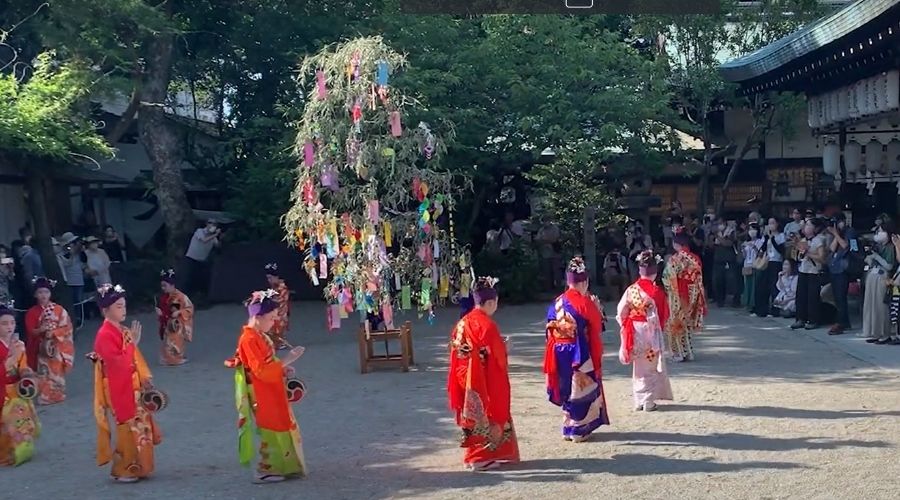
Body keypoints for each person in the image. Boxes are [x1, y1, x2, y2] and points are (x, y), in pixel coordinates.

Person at [225, 289, 307, 483]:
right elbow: (259, 369)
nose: (274, 322)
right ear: (258, 317)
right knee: (270, 427)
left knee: (281, 422)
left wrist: (284, 369)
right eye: (271, 318)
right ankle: (266, 469)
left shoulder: (259, 335)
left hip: (269, 386)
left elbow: (268, 361)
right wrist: (287, 360)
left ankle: (287, 466)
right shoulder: (249, 339)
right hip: (260, 390)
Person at [89, 284, 161, 483]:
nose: (123, 309)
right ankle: (124, 468)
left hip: (133, 384)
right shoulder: (104, 335)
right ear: (105, 310)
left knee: (141, 424)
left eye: (124, 305)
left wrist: (145, 379)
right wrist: (132, 345)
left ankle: (141, 466)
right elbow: (116, 364)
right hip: (117, 385)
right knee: (127, 425)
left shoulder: (123, 330)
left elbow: (135, 358)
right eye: (118, 306)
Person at [448, 277, 520, 471]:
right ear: (489, 302)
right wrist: (505, 349)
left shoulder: (462, 323)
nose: (496, 306)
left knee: (472, 413)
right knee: (490, 412)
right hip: (481, 375)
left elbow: (457, 351)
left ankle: (476, 455)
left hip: (463, 374)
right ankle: (479, 456)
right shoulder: (487, 325)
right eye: (495, 302)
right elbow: (497, 357)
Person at [544, 257, 609, 443]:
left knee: (566, 387)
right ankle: (578, 428)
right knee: (581, 389)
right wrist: (597, 310)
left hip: (558, 350)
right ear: (584, 282)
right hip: (579, 351)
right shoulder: (584, 303)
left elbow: (548, 329)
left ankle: (567, 425)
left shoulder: (556, 302)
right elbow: (597, 328)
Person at [616, 250, 673, 412]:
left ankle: (638, 400)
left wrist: (626, 326)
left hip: (634, 331)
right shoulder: (657, 292)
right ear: (654, 273)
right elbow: (664, 314)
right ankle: (648, 400)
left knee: (638, 366)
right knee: (650, 364)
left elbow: (621, 312)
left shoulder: (631, 290)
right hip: (651, 331)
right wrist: (658, 328)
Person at [0, 301, 40, 466]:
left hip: (16, 389)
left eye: (12, 323)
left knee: (21, 421)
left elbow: (23, 365)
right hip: (3, 389)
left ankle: (22, 449)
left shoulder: (18, 344)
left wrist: (27, 374)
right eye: (4, 323)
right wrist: (12, 359)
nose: (9, 327)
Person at [23, 277, 74, 405]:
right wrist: (41, 329)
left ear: (50, 293)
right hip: (41, 347)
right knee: (44, 373)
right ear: (35, 294)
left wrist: (55, 333)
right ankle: (46, 395)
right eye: (40, 292)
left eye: (46, 292)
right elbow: (31, 331)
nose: (43, 295)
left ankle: (57, 394)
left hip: (56, 346)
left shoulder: (59, 310)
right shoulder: (32, 312)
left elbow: (67, 327)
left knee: (57, 371)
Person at [662, 233, 707, 362]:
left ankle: (678, 353)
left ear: (676, 244)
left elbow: (667, 278)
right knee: (686, 324)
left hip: (678, 294)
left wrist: (668, 290)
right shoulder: (695, 258)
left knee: (675, 324)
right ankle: (688, 352)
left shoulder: (675, 259)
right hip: (692, 294)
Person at [860, 219, 896, 342]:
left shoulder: (891, 247)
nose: (879, 234)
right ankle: (874, 332)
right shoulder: (878, 246)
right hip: (873, 274)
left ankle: (884, 333)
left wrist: (876, 257)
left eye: (882, 231)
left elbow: (889, 266)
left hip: (883, 277)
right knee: (871, 305)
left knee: (881, 306)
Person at [792, 219, 829, 330]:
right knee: (801, 296)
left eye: (808, 225)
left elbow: (822, 258)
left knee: (812, 297)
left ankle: (813, 320)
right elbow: (798, 257)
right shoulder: (803, 240)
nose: (805, 227)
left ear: (815, 228)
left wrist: (808, 252)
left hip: (814, 271)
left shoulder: (819, 240)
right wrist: (797, 246)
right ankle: (800, 319)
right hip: (803, 270)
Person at [155, 270, 194, 366]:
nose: (163, 288)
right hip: (169, 322)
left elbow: (189, 309)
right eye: (162, 286)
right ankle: (169, 358)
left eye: (165, 285)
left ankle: (176, 358)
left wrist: (179, 312)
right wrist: (161, 313)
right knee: (169, 341)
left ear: (172, 285)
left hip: (178, 323)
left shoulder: (181, 296)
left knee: (175, 340)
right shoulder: (164, 297)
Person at [826, 213, 857, 335]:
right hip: (834, 267)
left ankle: (842, 323)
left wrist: (835, 234)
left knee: (841, 297)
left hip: (844, 269)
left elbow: (846, 246)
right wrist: (835, 234)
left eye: (838, 222)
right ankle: (844, 321)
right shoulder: (838, 233)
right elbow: (832, 248)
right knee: (837, 298)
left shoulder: (850, 231)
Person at [752, 218, 786, 317]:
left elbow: (781, 250)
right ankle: (761, 309)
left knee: (774, 287)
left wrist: (773, 239)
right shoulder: (767, 236)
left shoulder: (781, 236)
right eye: (769, 223)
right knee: (761, 285)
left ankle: (775, 310)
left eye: (773, 223)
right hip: (767, 262)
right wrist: (767, 237)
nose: (770, 225)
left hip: (776, 262)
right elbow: (763, 249)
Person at [180, 219, 222, 296]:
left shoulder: (213, 237)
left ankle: (196, 297)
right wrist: (215, 235)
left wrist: (219, 236)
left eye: (215, 224)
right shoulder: (200, 231)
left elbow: (218, 246)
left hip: (201, 260)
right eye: (210, 223)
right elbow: (204, 240)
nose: (212, 226)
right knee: (186, 279)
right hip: (191, 259)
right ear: (207, 224)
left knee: (199, 279)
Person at [264, 263, 291, 350]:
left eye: (270, 278)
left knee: (279, 327)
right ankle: (273, 341)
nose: (269, 280)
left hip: (280, 312)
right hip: (274, 312)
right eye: (268, 278)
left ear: (276, 277)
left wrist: (268, 297)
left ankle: (279, 342)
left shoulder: (282, 287)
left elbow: (279, 299)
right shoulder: (273, 286)